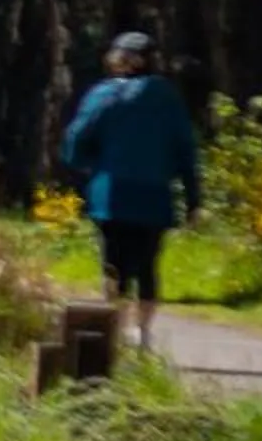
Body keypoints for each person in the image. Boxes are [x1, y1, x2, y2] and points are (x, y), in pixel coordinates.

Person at [60, 31, 203, 351]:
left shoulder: (103, 94)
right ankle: (143, 333)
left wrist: (87, 167)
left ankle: (116, 329)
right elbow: (185, 149)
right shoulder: (167, 96)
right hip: (154, 195)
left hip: (110, 194)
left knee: (113, 261)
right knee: (149, 262)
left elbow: (75, 141)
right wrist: (194, 198)